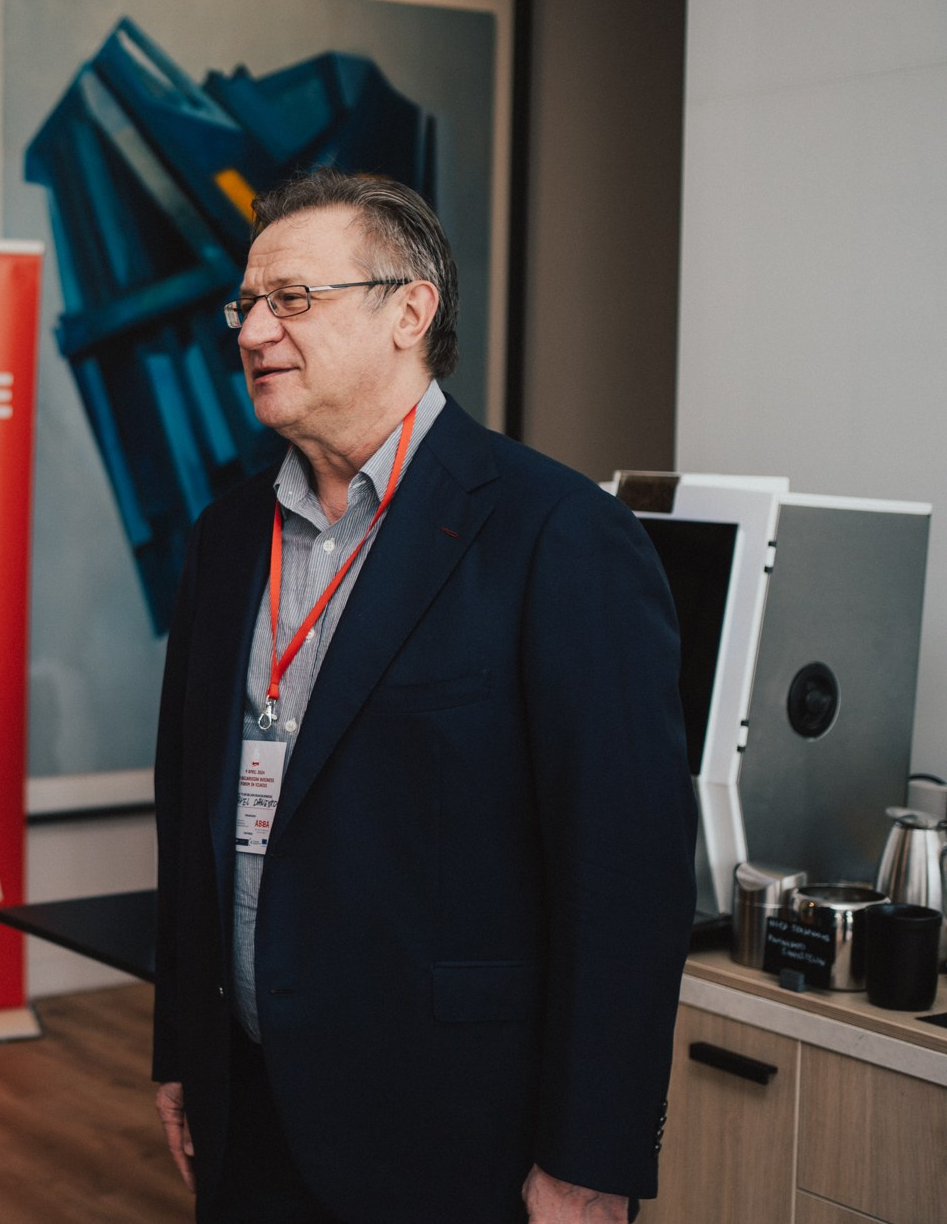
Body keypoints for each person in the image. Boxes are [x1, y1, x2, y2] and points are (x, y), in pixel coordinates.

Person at [149, 170, 695, 1223]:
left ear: (409, 310)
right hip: (248, 1101)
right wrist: (183, 1047)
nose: (252, 329)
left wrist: (591, 1154)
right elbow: (191, 816)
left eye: (291, 299)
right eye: (245, 304)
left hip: (452, 1132)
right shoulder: (225, 540)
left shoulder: (556, 535)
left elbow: (622, 878)